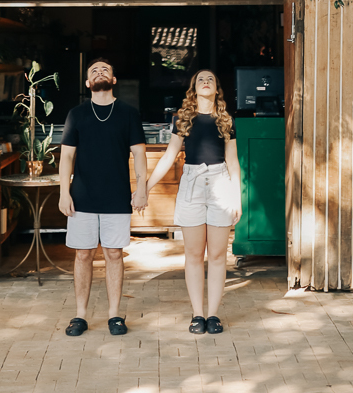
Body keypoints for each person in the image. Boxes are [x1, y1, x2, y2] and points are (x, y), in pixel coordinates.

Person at [146, 70, 241, 335]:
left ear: (216, 88)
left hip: (221, 184)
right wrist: (145, 187)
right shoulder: (183, 119)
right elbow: (168, 157)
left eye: (211, 78)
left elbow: (233, 161)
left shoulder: (226, 120)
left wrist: (237, 197)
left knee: (219, 255)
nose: (206, 82)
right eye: (201, 79)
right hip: (192, 186)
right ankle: (198, 314)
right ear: (194, 88)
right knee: (194, 255)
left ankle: (213, 315)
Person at [59, 59, 147, 336]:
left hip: (117, 196)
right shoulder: (77, 114)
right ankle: (80, 316)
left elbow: (139, 154)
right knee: (83, 255)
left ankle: (114, 315)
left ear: (114, 79)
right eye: (94, 71)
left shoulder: (128, 113)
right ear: (87, 83)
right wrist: (64, 192)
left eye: (105, 69)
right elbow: (66, 157)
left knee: (113, 254)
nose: (99, 72)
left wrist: (142, 187)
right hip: (82, 197)